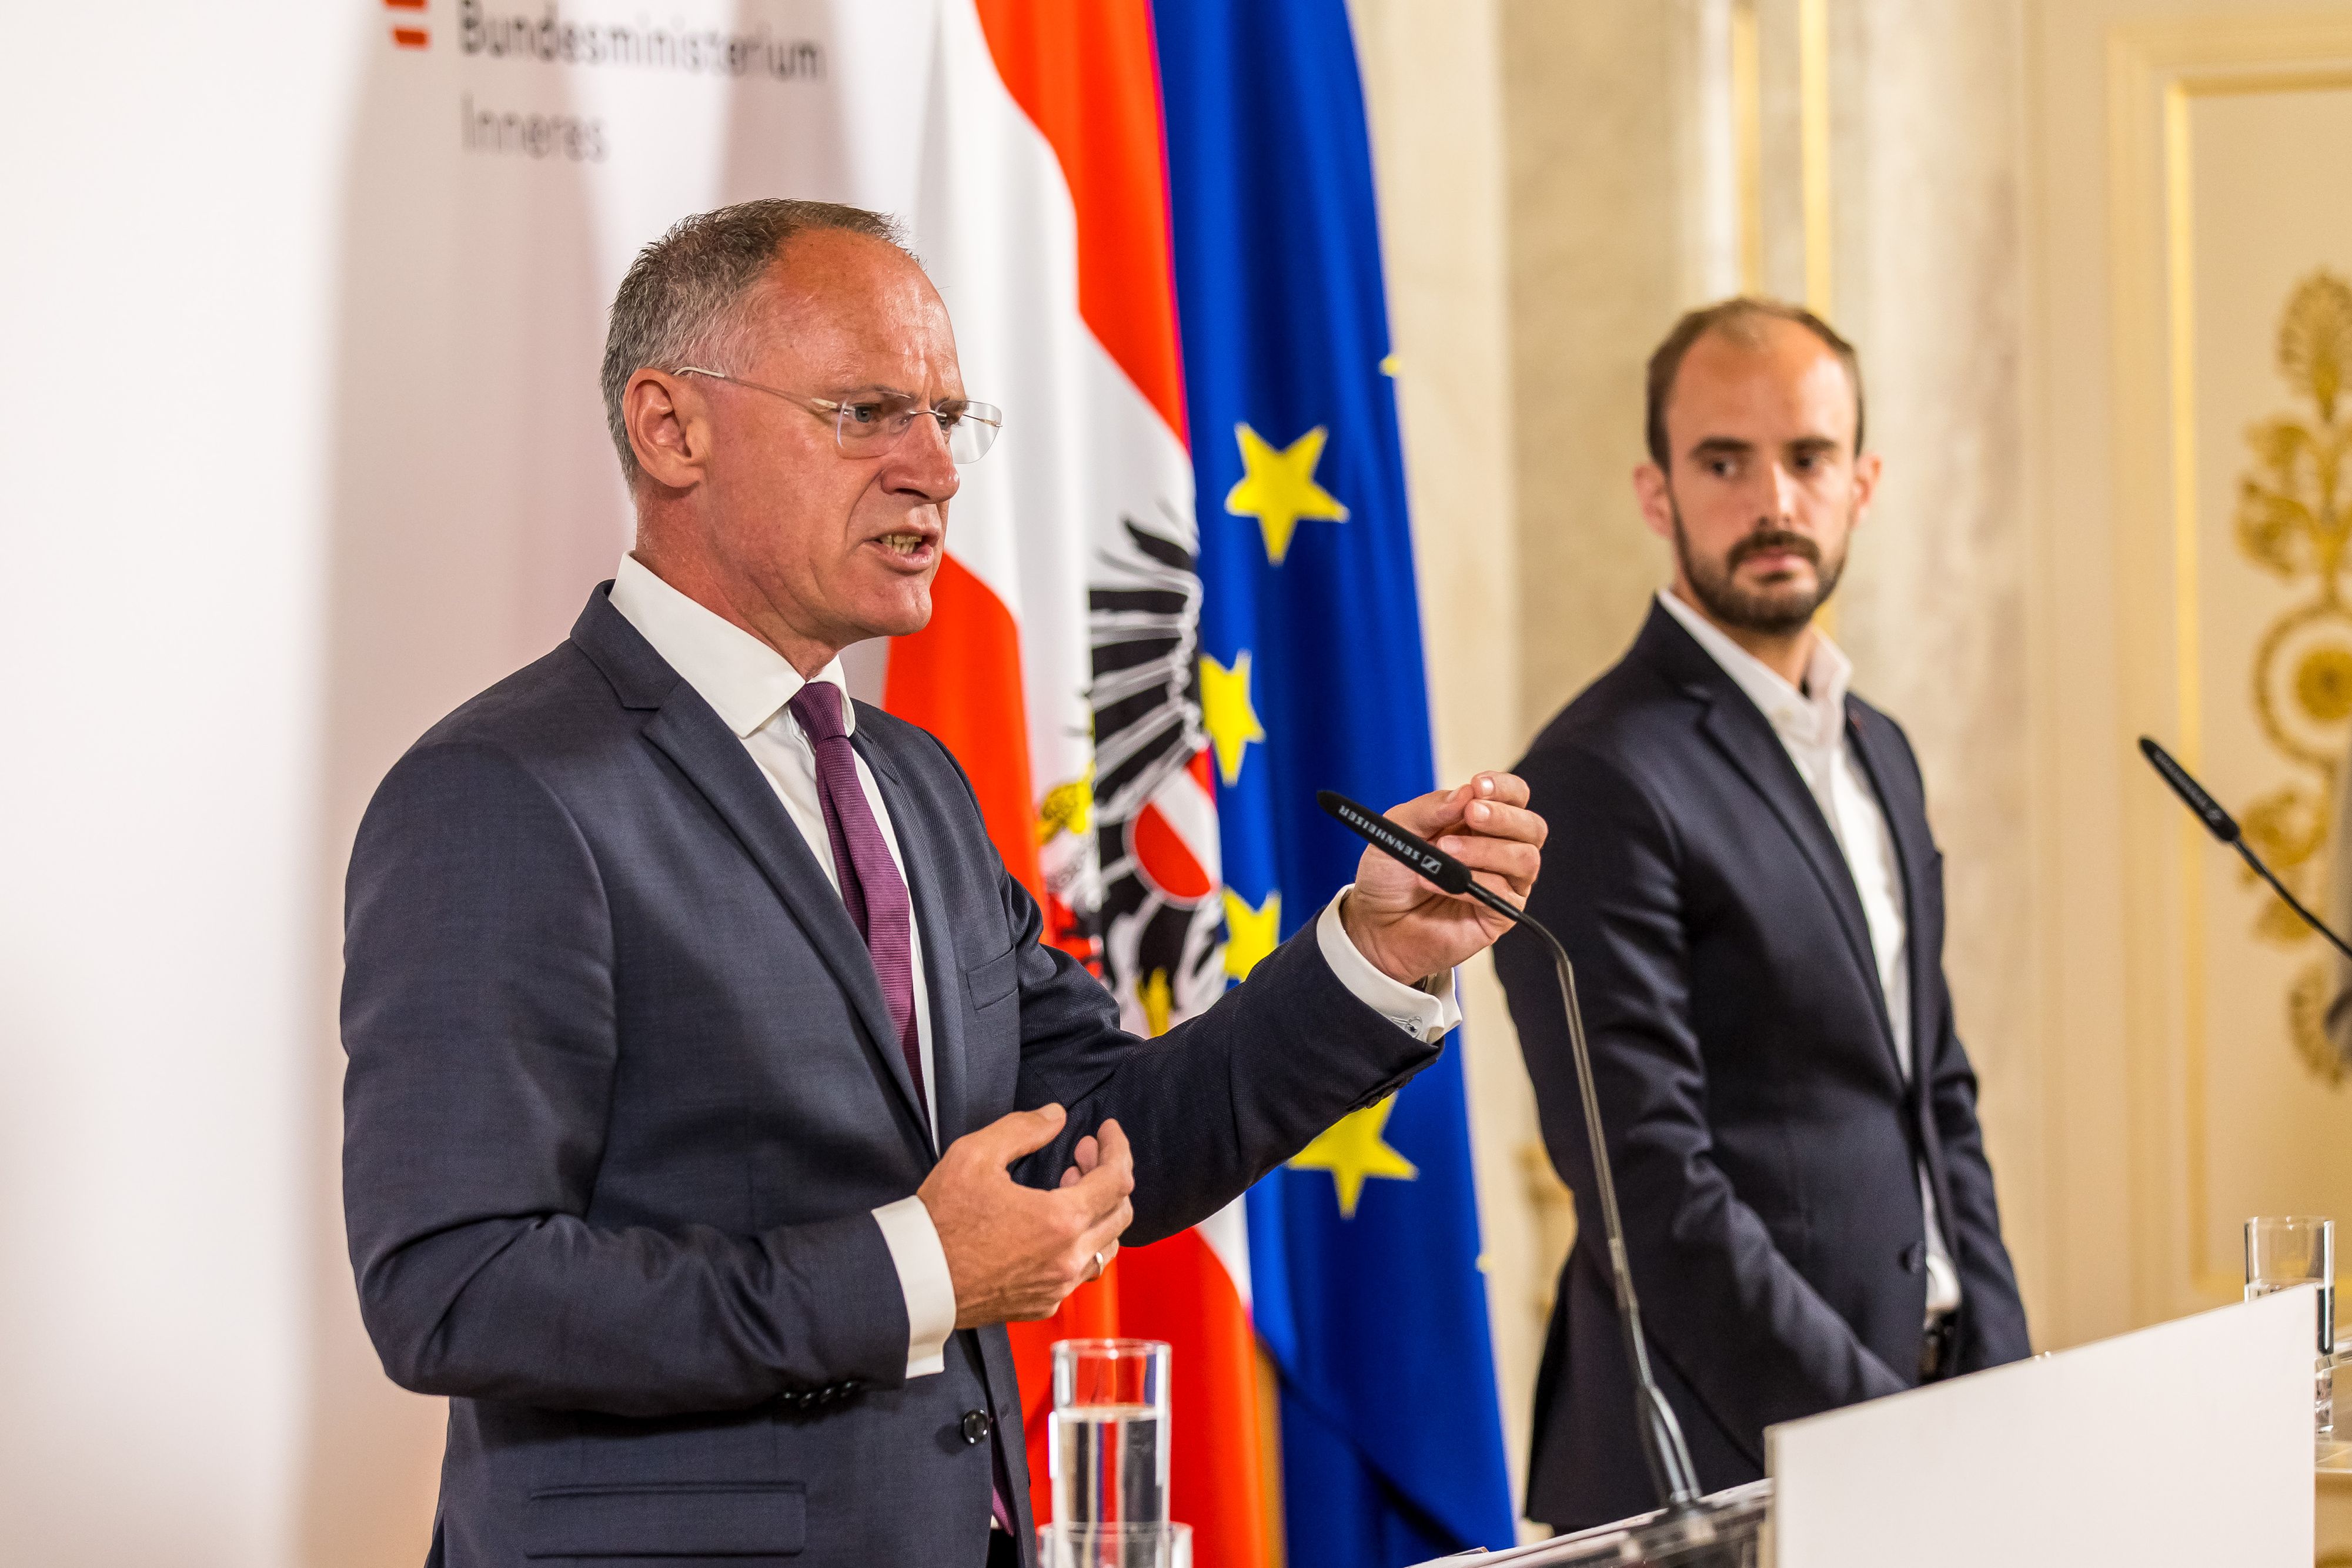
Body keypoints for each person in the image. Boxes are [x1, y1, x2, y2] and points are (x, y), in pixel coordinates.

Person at [338, 198, 1544, 1568]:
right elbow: (455, 1287)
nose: (934, 470)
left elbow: (1100, 1132)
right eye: (866, 412)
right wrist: (917, 1268)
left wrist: (1369, 959)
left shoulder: (911, 779)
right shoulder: (505, 792)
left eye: (947, 417)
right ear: (670, 427)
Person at [1495, 298, 2030, 1531]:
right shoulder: (1595, 773)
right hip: (1721, 1459)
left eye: (1807, 457)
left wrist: (2001, 1389)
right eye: (1722, 462)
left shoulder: (1880, 752)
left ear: (1862, 480)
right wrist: (1874, 1434)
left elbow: (1932, 1089)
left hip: (1926, 1408)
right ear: (1654, 490)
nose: (1772, 501)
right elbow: (1647, 1185)